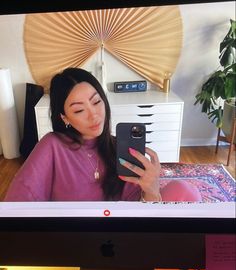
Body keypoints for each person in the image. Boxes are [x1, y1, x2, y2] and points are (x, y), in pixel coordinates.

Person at [4, 67, 201, 202]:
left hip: (122, 235)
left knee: (185, 190)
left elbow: (140, 211)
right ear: (64, 117)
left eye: (97, 102)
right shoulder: (52, 146)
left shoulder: (121, 149)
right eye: (79, 110)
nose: (94, 115)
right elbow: (19, 199)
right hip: (74, 239)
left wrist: (151, 190)